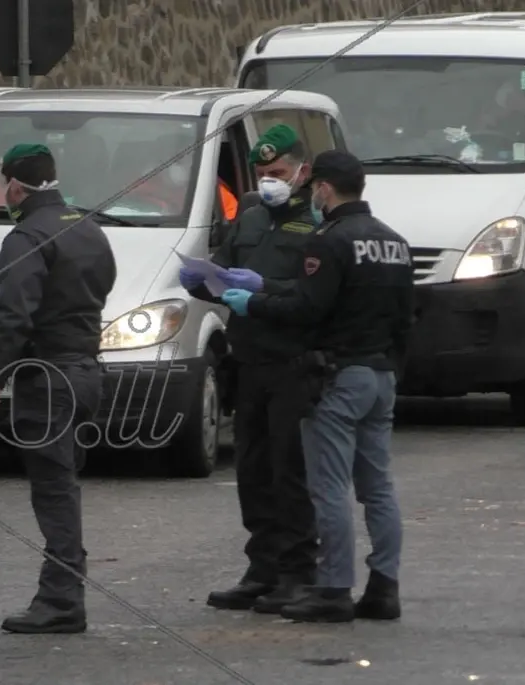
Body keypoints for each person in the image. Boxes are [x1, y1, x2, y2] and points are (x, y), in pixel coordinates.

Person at [219, 149, 413, 624]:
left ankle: (333, 589)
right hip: (381, 374)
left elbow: (307, 309)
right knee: (377, 488)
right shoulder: (394, 242)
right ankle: (384, 587)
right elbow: (406, 318)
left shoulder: (328, 240)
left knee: (327, 488)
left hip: (338, 374)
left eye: (314, 189)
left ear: (324, 187)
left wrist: (253, 302)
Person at [180, 123, 320, 616]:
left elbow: (317, 295)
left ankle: (299, 572)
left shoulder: (316, 224)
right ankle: (263, 568)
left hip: (293, 361)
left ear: (302, 172)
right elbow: (223, 268)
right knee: (253, 470)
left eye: (278, 172)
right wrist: (202, 280)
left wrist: (265, 288)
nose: (269, 181)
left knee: (290, 471)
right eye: (263, 174)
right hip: (249, 361)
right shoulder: (251, 217)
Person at [0, 143, 115, 634]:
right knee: (64, 483)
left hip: (48, 377)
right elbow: (103, 285)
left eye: (5, 185)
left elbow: (14, 312)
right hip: (86, 371)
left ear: (16, 186)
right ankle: (62, 592)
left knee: (54, 493)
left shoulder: (25, 237)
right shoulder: (88, 227)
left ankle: (62, 599)